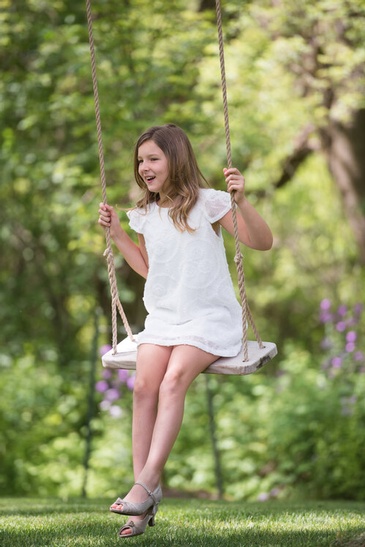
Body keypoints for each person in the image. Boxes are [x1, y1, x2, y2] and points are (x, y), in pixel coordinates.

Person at [98, 123, 273, 538]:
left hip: (208, 318)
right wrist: (118, 235)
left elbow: (262, 242)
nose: (144, 167)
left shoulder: (210, 203)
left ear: (175, 159)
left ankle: (144, 485)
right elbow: (147, 269)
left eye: (153, 158)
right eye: (140, 160)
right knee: (144, 387)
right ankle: (142, 503)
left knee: (173, 381)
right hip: (164, 318)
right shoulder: (146, 214)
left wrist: (242, 202)